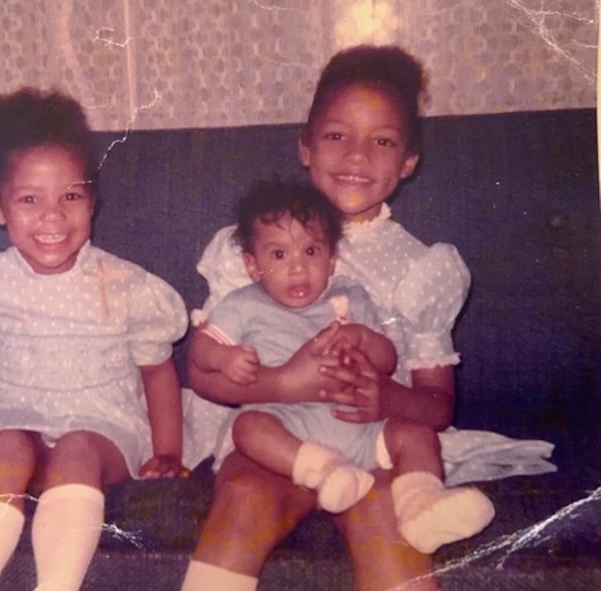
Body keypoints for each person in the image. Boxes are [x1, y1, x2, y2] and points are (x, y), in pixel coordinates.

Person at [182, 45, 474, 591]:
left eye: (382, 140)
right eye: (338, 135)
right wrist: (282, 382)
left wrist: (386, 398)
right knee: (245, 494)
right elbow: (199, 374)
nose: (357, 156)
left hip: (374, 439)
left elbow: (437, 403)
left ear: (409, 161)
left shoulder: (420, 266)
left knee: (392, 516)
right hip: (276, 436)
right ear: (306, 146)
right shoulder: (251, 247)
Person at [0, 87, 189, 591]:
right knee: (7, 446)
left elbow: (157, 367)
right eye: (30, 199)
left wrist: (167, 450)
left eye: (70, 196)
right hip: (14, 421)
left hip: (103, 432)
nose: (53, 216)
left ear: (92, 202)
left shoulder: (127, 285)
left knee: (76, 448)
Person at [191, 179, 493, 549]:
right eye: (280, 256)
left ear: (332, 258)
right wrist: (225, 356)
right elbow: (201, 353)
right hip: (289, 425)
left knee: (417, 436)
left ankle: (422, 502)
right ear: (253, 266)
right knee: (248, 427)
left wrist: (366, 341)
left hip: (361, 429)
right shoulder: (242, 304)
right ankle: (325, 471)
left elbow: (387, 360)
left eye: (311, 251)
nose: (298, 269)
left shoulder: (350, 297)